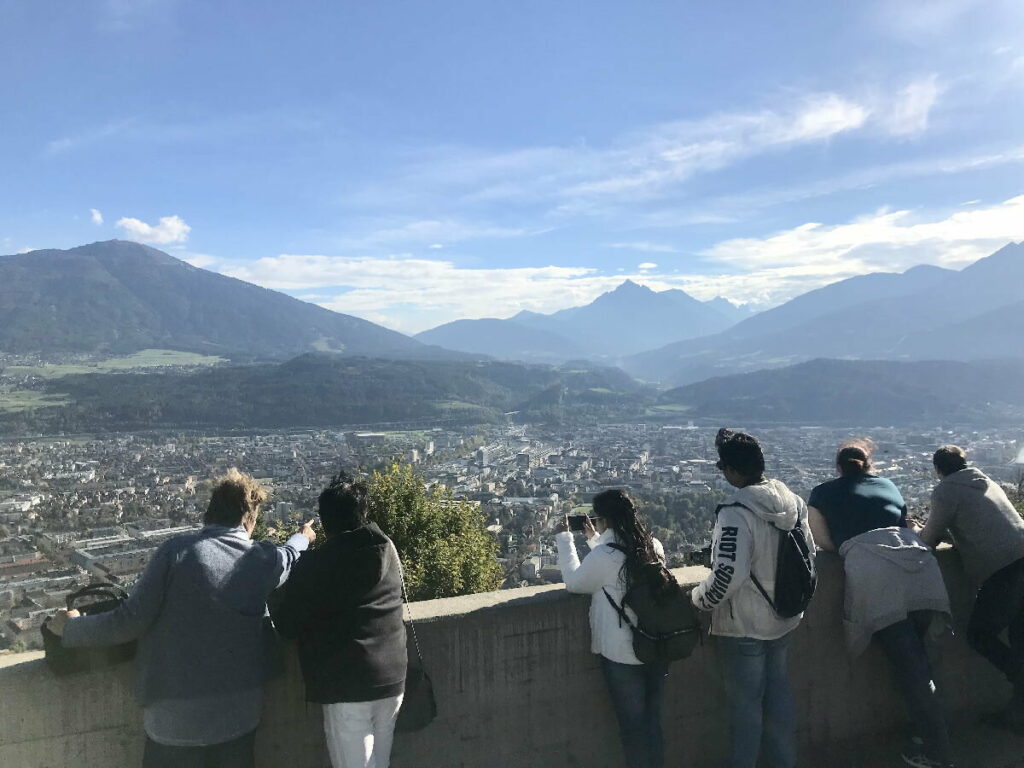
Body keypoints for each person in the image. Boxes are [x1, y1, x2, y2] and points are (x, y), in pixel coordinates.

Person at [46, 468, 315, 768]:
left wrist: (72, 628)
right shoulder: (262, 558)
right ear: (250, 520)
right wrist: (303, 537)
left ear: (209, 514)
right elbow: (288, 555)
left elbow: (131, 620)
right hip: (238, 718)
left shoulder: (176, 552)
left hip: (175, 722)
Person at [808, 440, 954, 768]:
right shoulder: (888, 484)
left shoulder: (820, 493)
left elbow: (827, 543)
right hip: (920, 566)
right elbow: (906, 525)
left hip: (880, 578)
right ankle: (926, 736)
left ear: (838, 467)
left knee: (911, 670)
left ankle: (938, 753)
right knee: (920, 664)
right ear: (868, 464)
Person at [691, 428, 811, 768]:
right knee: (779, 699)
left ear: (731, 471)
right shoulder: (794, 503)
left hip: (744, 623)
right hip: (785, 616)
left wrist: (700, 599)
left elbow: (728, 574)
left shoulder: (736, 512)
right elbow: (809, 557)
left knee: (745, 709)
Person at [271, 474, 407, 768]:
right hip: (393, 676)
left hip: (348, 681)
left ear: (325, 520)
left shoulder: (320, 564)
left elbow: (287, 624)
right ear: (363, 512)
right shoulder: (387, 549)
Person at [554, 489, 668, 768]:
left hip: (622, 654)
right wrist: (597, 541)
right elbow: (620, 568)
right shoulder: (652, 545)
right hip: (657, 646)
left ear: (604, 519)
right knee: (652, 724)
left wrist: (565, 539)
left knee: (633, 729)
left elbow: (575, 583)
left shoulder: (605, 555)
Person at [919, 445, 1024, 729]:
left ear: (938, 470)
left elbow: (929, 539)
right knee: (1019, 638)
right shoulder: (986, 482)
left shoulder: (946, 491)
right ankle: (1017, 715)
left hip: (1004, 570)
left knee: (979, 634)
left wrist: (914, 530)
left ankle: (1020, 680)